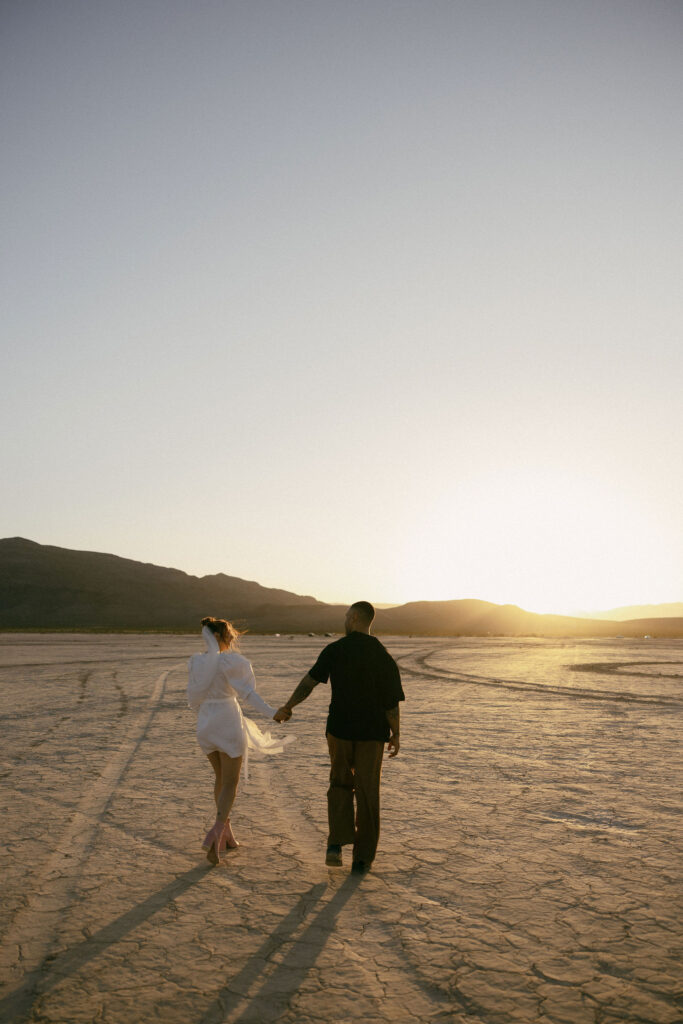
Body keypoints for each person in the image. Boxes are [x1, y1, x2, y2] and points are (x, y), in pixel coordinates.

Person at [274, 601, 404, 873]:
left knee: (340, 784)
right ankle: (363, 858)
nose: (344, 620)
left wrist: (288, 707)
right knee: (369, 793)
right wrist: (396, 734)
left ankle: (336, 844)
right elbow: (392, 703)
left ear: (354, 617)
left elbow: (308, 683)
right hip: (372, 734)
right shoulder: (383, 655)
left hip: (339, 731)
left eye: (346, 616)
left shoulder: (336, 649)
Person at [187, 616, 292, 864]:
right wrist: (272, 713)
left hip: (205, 723)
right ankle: (215, 833)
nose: (233, 637)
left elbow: (194, 695)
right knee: (230, 783)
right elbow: (247, 693)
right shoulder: (230, 661)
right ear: (219, 637)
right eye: (229, 634)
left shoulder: (196, 662)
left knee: (220, 779)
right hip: (226, 720)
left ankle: (227, 835)